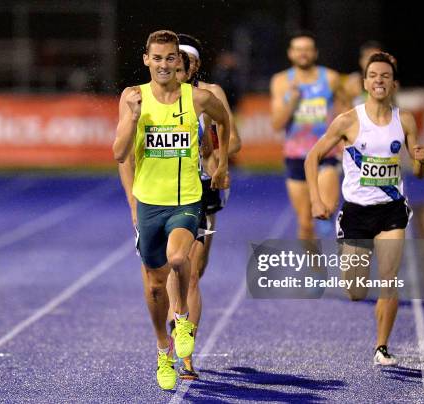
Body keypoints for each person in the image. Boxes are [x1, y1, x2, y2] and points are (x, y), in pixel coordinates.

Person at [112, 30, 230, 390]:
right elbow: (119, 153)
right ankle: (163, 350)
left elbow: (224, 120)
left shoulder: (198, 98)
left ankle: (181, 321)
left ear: (180, 62)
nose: (164, 64)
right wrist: (132, 119)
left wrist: (221, 162)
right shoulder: (133, 97)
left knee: (180, 259)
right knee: (153, 286)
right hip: (150, 203)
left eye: (170, 58)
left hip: (187, 198)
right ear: (147, 60)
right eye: (157, 58)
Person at [304, 52, 424, 366]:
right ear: (365, 82)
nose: (379, 81)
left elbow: (419, 169)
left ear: (393, 83)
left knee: (389, 279)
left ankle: (382, 346)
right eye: (373, 75)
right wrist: (317, 200)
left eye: (385, 76)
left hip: (391, 211)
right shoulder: (348, 120)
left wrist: (422, 160)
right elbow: (312, 157)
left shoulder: (406, 120)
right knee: (356, 291)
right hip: (357, 213)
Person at [166, 33, 241, 380]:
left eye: (186, 60)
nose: (179, 66)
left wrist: (211, 148)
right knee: (185, 272)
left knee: (196, 270)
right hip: (168, 191)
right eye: (174, 59)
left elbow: (233, 140)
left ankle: (182, 320)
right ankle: (187, 356)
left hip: (204, 189)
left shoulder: (209, 95)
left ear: (195, 65)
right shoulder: (158, 97)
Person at [269, 31, 344, 241]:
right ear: (291, 53)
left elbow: (345, 111)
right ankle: (316, 270)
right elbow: (276, 124)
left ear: (315, 53)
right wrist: (291, 101)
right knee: (304, 223)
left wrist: (346, 140)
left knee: (326, 209)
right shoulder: (281, 81)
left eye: (307, 49)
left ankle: (327, 217)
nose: (303, 53)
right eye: (298, 49)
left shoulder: (330, 78)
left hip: (325, 153)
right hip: (296, 156)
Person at [344, 40, 384, 106]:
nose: (374, 63)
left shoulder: (388, 82)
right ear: (361, 61)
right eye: (370, 59)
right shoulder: (352, 83)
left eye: (378, 59)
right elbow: (343, 110)